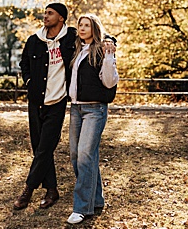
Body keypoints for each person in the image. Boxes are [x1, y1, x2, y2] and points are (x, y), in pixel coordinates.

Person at [15, 2, 77, 211]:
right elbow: (24, 63)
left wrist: (110, 41)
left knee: (45, 147)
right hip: (36, 101)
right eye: (45, 13)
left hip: (57, 102)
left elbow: (95, 36)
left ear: (61, 18)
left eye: (50, 13)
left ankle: (28, 190)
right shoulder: (35, 40)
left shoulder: (72, 37)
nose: (45, 16)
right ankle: (52, 190)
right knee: (39, 147)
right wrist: (29, 82)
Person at [65, 13, 118, 225]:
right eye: (80, 25)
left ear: (94, 28)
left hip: (95, 109)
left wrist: (109, 54)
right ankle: (95, 200)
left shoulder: (102, 50)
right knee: (76, 156)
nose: (82, 28)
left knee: (85, 156)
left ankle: (81, 208)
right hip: (76, 108)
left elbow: (109, 82)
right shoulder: (77, 50)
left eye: (87, 25)